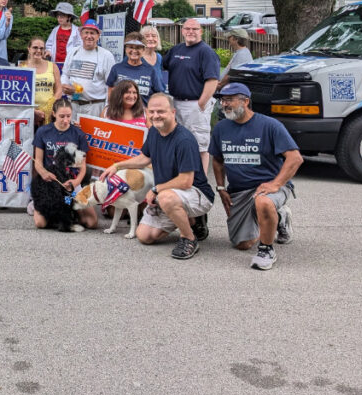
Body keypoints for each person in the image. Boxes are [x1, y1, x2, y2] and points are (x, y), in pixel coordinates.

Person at [101, 93, 215, 260]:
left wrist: (156, 189)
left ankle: (189, 238)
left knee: (166, 199)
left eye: (161, 111)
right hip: (168, 193)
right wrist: (117, 165)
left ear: (173, 112)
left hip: (196, 192)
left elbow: (186, 180)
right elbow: (144, 158)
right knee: (145, 236)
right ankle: (190, 220)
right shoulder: (154, 131)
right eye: (152, 111)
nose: (155, 116)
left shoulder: (184, 140)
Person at [209, 82, 302, 270]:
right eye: (222, 101)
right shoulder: (221, 128)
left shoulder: (270, 125)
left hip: (268, 186)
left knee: (264, 201)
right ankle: (276, 218)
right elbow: (217, 160)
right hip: (239, 191)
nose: (224, 105)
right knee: (241, 244)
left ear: (246, 101)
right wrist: (220, 188)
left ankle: (267, 250)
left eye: (229, 100)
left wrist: (276, 184)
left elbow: (295, 158)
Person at [164, 18, 222, 171]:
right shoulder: (176, 50)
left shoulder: (206, 52)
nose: (191, 32)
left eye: (195, 29)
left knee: (200, 146)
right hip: (175, 103)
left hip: (195, 104)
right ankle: (181, 176)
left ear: (201, 32)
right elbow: (161, 66)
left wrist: (200, 104)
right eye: (187, 29)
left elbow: (212, 81)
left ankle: (200, 183)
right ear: (182, 31)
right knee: (179, 143)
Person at [30, 99, 96, 229]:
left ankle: (70, 210)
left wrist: (75, 183)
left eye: (68, 116)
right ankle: (42, 207)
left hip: (71, 183)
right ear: (54, 114)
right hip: (50, 184)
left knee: (91, 222)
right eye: (61, 116)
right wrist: (44, 173)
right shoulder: (43, 131)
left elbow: (82, 167)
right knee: (40, 223)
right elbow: (37, 161)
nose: (65, 120)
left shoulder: (78, 133)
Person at [60, 20, 115, 122]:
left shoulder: (106, 56)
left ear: (98, 36)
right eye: (86, 32)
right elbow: (65, 74)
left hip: (94, 106)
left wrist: (108, 108)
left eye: (92, 33)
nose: (89, 36)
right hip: (74, 103)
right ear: (81, 34)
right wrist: (64, 85)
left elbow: (111, 85)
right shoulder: (73, 52)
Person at [106, 33, 165, 104]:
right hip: (120, 113)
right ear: (125, 49)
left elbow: (158, 94)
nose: (134, 51)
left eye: (138, 47)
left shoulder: (151, 71)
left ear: (144, 49)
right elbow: (110, 90)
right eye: (130, 47)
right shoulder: (116, 68)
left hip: (142, 113)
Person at [21, 37, 61, 126]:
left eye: (41, 48)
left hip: (50, 114)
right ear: (29, 49)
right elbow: (18, 94)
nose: (38, 51)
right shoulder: (21, 67)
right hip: (28, 114)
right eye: (35, 47)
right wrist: (33, 112)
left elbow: (58, 89)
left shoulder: (53, 66)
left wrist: (50, 107)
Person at [45, 1, 81, 72]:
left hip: (70, 64)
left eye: (62, 16)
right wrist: (48, 51)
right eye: (58, 16)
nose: (59, 18)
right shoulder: (55, 30)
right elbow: (49, 44)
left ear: (69, 17)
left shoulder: (77, 31)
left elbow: (80, 46)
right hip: (56, 63)